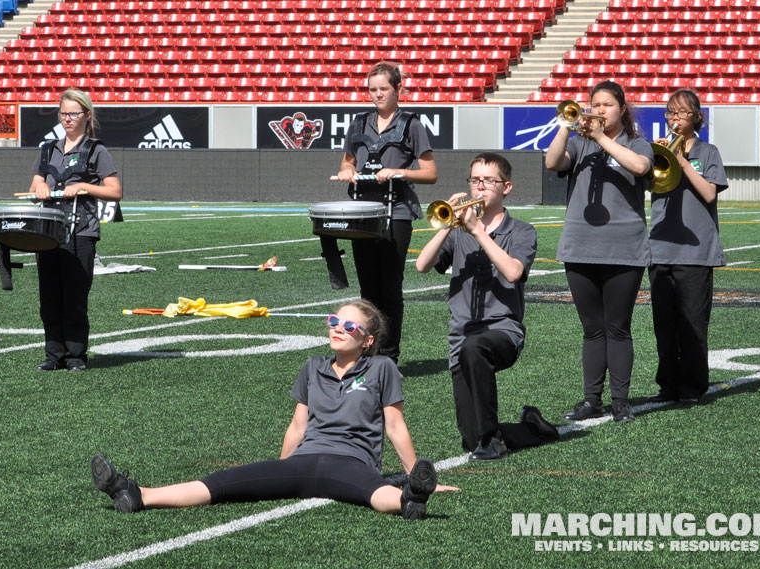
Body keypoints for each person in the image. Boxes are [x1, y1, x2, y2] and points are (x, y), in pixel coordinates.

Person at [92, 300, 458, 519]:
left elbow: (395, 427)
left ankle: (412, 497)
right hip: (302, 462)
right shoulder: (312, 367)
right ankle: (136, 493)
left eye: (349, 326)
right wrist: (282, 468)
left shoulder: (382, 369)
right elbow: (298, 426)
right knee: (223, 483)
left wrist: (419, 475)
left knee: (375, 495)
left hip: (351, 463)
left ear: (368, 339)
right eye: (334, 322)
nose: (338, 329)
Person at [415, 153, 558, 461]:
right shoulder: (458, 230)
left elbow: (513, 273)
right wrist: (448, 223)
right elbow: (422, 265)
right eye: (474, 180)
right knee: (471, 438)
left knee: (475, 348)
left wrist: (477, 230)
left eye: (488, 181)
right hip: (461, 337)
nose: (479, 187)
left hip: (502, 332)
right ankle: (532, 429)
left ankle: (492, 439)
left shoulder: (522, 231)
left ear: (505, 187)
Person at [545, 81, 654, 423]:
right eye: (595, 104)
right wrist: (566, 124)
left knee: (617, 327)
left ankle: (620, 400)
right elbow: (552, 162)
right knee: (592, 328)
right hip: (581, 247)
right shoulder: (578, 144)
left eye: (608, 105)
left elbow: (639, 168)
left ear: (622, 109)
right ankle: (592, 398)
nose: (600, 110)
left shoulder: (637, 143)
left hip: (624, 249)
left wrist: (602, 139)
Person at [336, 61, 438, 365]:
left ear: (398, 90)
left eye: (384, 89)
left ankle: (390, 358)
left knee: (390, 289)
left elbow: (431, 173)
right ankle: (368, 352)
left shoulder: (412, 124)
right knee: (368, 288)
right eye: (372, 90)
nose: (377, 95)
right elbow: (347, 162)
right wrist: (347, 171)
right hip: (363, 214)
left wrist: (398, 172)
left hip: (398, 214)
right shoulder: (358, 123)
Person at [28, 89, 121, 372]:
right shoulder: (47, 149)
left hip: (81, 232)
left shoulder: (96, 150)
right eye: (64, 114)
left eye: (74, 114)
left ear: (87, 116)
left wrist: (84, 186)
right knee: (50, 297)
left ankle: (76, 356)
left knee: (75, 298)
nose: (68, 119)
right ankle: (53, 355)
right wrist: (40, 187)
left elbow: (115, 191)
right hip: (48, 232)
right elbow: (34, 187)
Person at [648, 89, 728, 404]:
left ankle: (693, 386)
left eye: (681, 113)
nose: (675, 118)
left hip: (696, 252)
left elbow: (709, 194)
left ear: (696, 117)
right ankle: (668, 385)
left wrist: (680, 160)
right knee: (664, 324)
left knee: (693, 323)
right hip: (660, 248)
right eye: (670, 112)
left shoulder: (708, 152)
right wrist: (664, 155)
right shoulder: (657, 151)